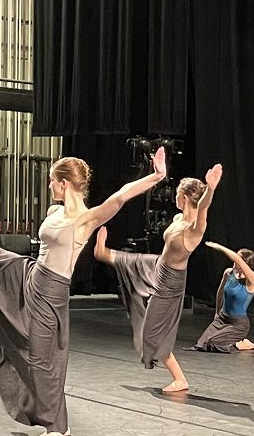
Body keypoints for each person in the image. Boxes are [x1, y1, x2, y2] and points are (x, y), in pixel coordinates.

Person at [0, 148, 168, 436]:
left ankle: (57, 424)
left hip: (52, 289)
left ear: (63, 183)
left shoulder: (85, 219)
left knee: (42, 355)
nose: (49, 186)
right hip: (32, 274)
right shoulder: (55, 211)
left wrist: (156, 176)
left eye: (51, 181)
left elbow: (119, 196)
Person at [93, 164, 223, 392]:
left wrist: (210, 188)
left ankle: (180, 379)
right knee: (129, 262)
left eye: (177, 195)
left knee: (151, 335)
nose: (174, 198)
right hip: (157, 266)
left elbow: (202, 208)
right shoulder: (177, 219)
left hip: (170, 281)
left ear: (183, 197)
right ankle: (103, 253)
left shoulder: (194, 230)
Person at [192, 241, 254, 352]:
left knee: (213, 343)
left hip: (238, 324)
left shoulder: (253, 280)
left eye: (237, 258)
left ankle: (241, 345)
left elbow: (237, 259)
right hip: (222, 319)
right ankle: (237, 342)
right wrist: (217, 312)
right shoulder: (229, 273)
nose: (233, 260)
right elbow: (220, 292)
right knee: (201, 344)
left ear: (245, 263)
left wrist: (219, 247)